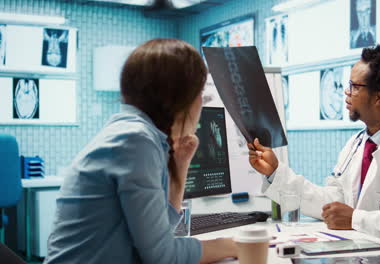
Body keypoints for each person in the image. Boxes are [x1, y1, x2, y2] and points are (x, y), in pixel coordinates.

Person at [248, 45, 380, 258]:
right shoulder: (357, 144)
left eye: (354, 86)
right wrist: (275, 172)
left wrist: (355, 219)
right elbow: (332, 203)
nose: (346, 92)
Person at [45, 39, 237, 264]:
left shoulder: (136, 134)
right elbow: (162, 257)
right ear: (179, 97)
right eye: (200, 93)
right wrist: (231, 245)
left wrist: (180, 165)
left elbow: (161, 232)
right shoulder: (135, 141)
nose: (201, 103)